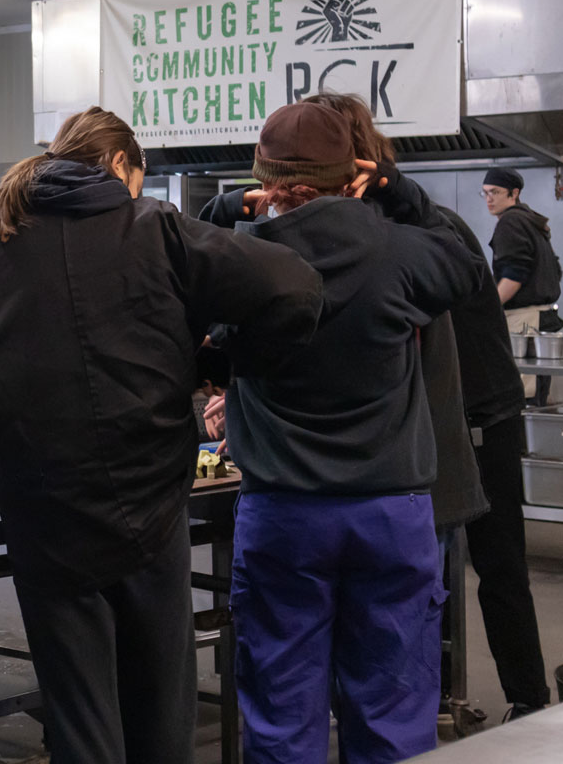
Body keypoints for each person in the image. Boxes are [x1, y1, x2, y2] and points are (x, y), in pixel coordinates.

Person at [0, 107, 324, 764]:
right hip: (148, 501)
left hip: (40, 504)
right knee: (160, 699)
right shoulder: (155, 228)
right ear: (118, 166)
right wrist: (219, 364)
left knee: (79, 709)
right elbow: (295, 287)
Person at [200, 102, 483, 764]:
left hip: (284, 512)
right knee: (392, 705)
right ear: (354, 171)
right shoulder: (403, 251)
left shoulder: (243, 259)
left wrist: (227, 209)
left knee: (281, 706)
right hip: (392, 513)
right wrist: (398, 189)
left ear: (263, 177)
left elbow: (172, 258)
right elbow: (467, 261)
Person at [305, 96, 551, 720]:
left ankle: (527, 699)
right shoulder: (366, 230)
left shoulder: (423, 227)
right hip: (426, 420)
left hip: (475, 417)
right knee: (422, 575)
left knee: (494, 566)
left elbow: (454, 301)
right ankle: (433, 696)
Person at [482, 167, 562, 402]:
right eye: (485, 193)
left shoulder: (511, 222)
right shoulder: (534, 221)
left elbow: (514, 276)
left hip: (524, 323)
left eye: (495, 192)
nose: (489, 199)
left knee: (522, 400)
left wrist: (488, 308)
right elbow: (556, 270)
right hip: (546, 321)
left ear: (513, 193)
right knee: (543, 400)